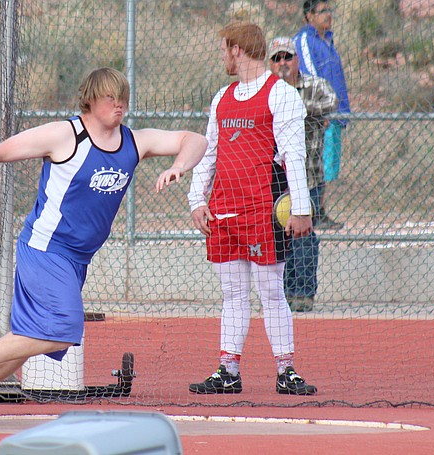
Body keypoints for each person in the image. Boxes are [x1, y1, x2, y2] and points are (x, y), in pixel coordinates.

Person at [0, 67, 208, 426]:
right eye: (109, 97)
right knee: (63, 327)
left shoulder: (135, 141)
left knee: (34, 340)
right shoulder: (65, 135)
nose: (118, 104)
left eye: (123, 97)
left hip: (77, 259)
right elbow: (1, 151)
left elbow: (195, 139)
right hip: (45, 248)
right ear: (90, 99)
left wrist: (179, 167)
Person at [187, 22, 316, 396]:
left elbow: (294, 155)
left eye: (224, 49)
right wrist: (198, 199)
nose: (222, 55)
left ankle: (286, 371)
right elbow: (209, 153)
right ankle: (228, 370)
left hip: (262, 210)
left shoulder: (282, 95)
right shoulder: (222, 97)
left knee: (272, 291)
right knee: (232, 293)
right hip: (224, 211)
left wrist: (302, 209)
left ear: (237, 51)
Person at [268, 36, 338, 313]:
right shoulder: (266, 90)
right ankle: (283, 292)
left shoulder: (314, 85)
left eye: (287, 57)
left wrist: (296, 109)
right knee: (278, 234)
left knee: (304, 233)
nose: (282, 63)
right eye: (277, 58)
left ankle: (304, 292)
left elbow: (332, 101)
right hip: (275, 177)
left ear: (297, 60)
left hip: (308, 176)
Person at [293, 0, 349, 230]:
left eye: (329, 10)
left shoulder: (328, 41)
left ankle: (320, 210)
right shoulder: (305, 40)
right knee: (314, 163)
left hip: (333, 114)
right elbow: (310, 77)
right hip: (317, 116)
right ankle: (312, 212)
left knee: (326, 164)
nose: (328, 15)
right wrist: (322, 108)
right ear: (308, 16)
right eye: (322, 11)